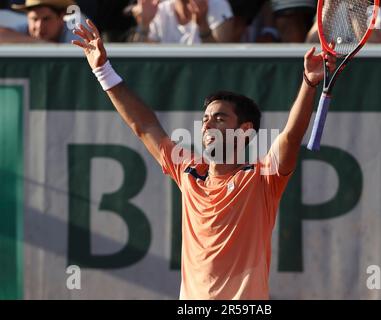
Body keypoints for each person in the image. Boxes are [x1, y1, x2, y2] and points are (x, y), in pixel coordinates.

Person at [72, 19, 336, 299]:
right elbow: (145, 126)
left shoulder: (261, 177)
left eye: (220, 118)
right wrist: (103, 70)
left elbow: (290, 137)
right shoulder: (189, 171)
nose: (208, 125)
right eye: (206, 119)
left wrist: (308, 83)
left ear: (245, 131)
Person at [129, 0, 234, 44]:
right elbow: (141, 59)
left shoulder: (219, 6)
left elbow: (220, 63)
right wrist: (144, 24)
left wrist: (203, 25)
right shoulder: (160, 10)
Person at [0, 0, 80, 43]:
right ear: (27, 18)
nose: (39, 26)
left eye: (46, 19)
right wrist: (43, 44)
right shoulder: (24, 28)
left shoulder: (76, 33)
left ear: (61, 18)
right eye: (34, 19)